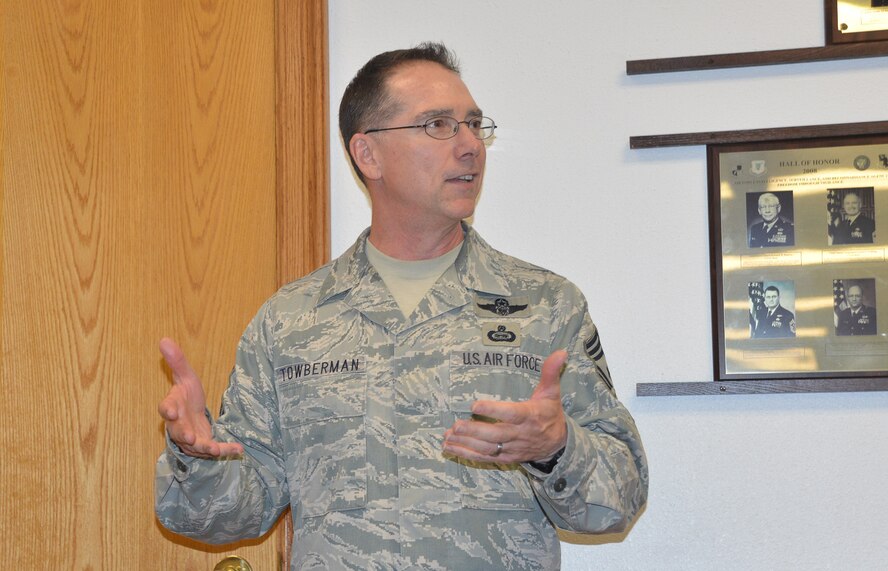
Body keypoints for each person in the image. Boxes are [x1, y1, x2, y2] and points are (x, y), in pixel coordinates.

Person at [155, 43, 648, 570]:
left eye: (474, 125)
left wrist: (557, 446)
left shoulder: (545, 306)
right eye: (438, 125)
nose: (470, 147)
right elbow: (227, 516)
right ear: (368, 154)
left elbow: (618, 502)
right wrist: (195, 456)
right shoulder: (290, 321)